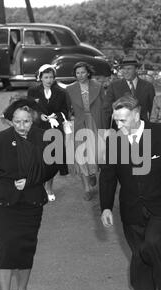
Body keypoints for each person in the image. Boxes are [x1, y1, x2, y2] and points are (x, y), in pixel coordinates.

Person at [99, 95, 161, 290]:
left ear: (137, 114)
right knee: (139, 253)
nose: (118, 124)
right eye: (116, 120)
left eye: (123, 120)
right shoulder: (114, 140)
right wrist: (105, 207)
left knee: (151, 243)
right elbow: (108, 176)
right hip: (130, 207)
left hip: (160, 203)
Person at [0, 99, 57, 290]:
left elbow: (53, 166)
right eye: (17, 121)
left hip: (31, 202)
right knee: (5, 248)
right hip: (2, 203)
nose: (22, 126)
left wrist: (31, 180)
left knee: (26, 247)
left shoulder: (44, 137)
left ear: (33, 120)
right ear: (10, 121)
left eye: (26, 121)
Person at [65, 62, 109, 201]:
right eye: (77, 73)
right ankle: (87, 188)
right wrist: (69, 119)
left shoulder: (98, 86)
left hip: (96, 122)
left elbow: (105, 106)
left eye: (83, 72)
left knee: (97, 153)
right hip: (79, 124)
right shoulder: (70, 89)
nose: (80, 75)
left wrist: (106, 126)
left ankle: (92, 173)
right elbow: (67, 108)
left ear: (88, 73)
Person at [27, 64, 69, 202]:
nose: (49, 80)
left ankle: (49, 188)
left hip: (54, 129)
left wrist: (55, 115)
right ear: (40, 78)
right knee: (38, 158)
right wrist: (39, 115)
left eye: (51, 77)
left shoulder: (61, 92)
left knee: (51, 159)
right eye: (46, 77)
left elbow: (65, 111)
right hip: (38, 129)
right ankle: (37, 186)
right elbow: (29, 109)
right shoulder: (33, 91)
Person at [104, 56, 156, 125]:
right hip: (120, 129)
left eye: (129, 69)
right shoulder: (113, 86)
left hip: (143, 128)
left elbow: (153, 110)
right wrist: (106, 129)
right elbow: (107, 110)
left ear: (136, 69)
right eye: (124, 69)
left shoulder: (148, 86)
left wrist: (152, 128)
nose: (125, 72)